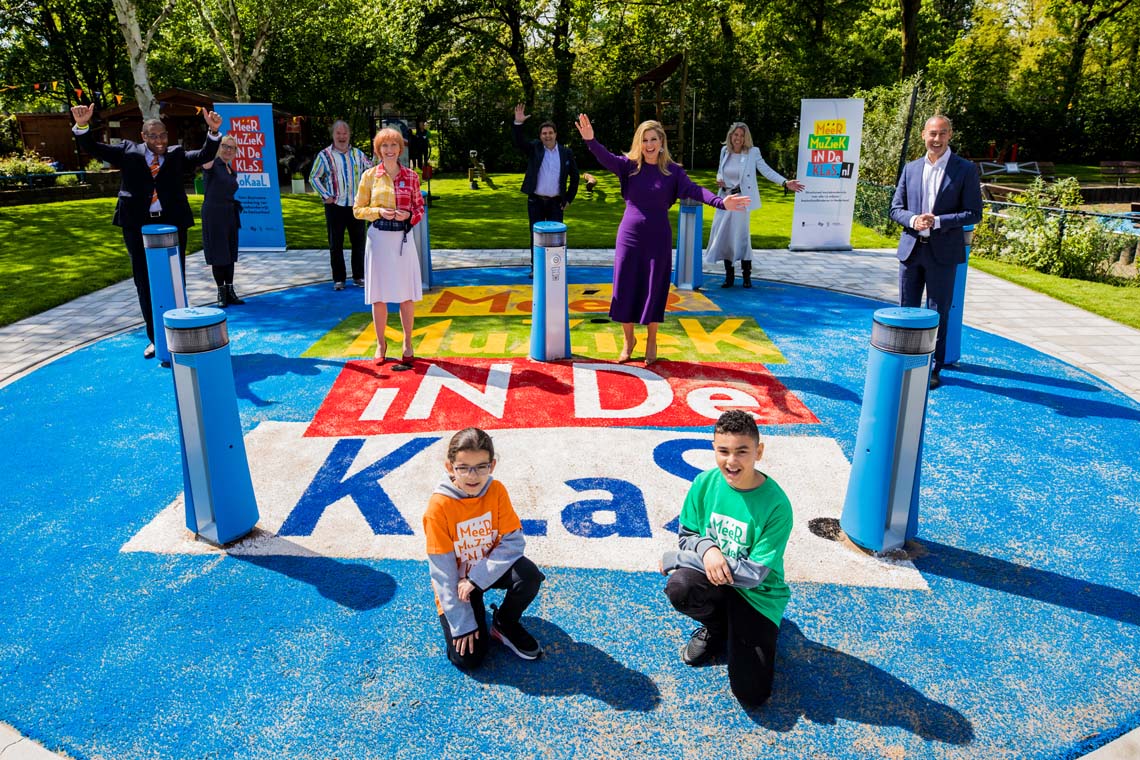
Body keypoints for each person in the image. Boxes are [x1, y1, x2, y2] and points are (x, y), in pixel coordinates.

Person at [574, 114, 750, 364]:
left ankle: (652, 340)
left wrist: (721, 202)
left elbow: (696, 190)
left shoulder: (673, 172)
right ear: (639, 142)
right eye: (644, 139)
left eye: (653, 139)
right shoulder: (629, 167)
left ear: (661, 141)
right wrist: (591, 141)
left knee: (654, 287)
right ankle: (628, 340)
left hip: (658, 238)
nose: (649, 144)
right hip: (629, 237)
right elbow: (606, 159)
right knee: (625, 287)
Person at [660, 409, 793, 707]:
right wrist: (708, 551)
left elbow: (753, 575)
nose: (731, 461)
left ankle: (751, 628)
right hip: (715, 582)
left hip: (757, 595)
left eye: (742, 452)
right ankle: (719, 629)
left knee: (752, 694)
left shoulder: (777, 505)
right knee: (680, 586)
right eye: (723, 451)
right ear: (714, 449)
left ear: (758, 451)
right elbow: (687, 535)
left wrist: (677, 557)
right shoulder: (705, 483)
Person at [70, 103, 222, 359]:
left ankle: (178, 333)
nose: (159, 140)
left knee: (175, 278)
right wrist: (83, 126)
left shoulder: (176, 154)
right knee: (143, 279)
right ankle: (155, 338)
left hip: (171, 223)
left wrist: (214, 132)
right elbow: (93, 148)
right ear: (143, 137)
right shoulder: (128, 151)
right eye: (153, 136)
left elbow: (205, 155)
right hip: (136, 224)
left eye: (162, 135)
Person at [424, 428, 546, 669]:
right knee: (468, 660)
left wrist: (477, 579)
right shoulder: (438, 507)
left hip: (482, 573)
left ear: (492, 465)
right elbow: (442, 572)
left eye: (481, 466)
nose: (473, 475)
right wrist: (462, 622)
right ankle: (473, 613)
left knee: (529, 575)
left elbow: (514, 541)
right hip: (457, 585)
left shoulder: (496, 490)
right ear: (450, 467)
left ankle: (504, 623)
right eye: (463, 467)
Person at [889, 115, 983, 389]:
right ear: (923, 135)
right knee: (906, 309)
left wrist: (938, 221)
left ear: (950, 135)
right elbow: (896, 208)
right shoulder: (911, 168)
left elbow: (974, 212)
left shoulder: (964, 169)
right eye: (932, 133)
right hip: (912, 250)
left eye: (942, 133)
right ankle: (904, 360)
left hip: (943, 253)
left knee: (936, 312)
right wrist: (913, 220)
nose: (937, 139)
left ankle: (932, 368)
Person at [352, 127, 425, 371]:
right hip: (379, 240)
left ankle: (407, 341)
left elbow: (420, 209)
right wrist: (378, 212)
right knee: (379, 295)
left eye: (394, 145)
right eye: (385, 146)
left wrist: (409, 216)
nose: (390, 150)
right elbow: (358, 209)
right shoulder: (369, 176)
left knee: (406, 295)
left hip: (402, 241)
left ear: (400, 149)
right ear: (378, 150)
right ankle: (381, 344)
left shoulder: (412, 177)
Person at [705, 122, 805, 288]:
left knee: (741, 237)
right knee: (724, 236)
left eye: (742, 135)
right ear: (731, 135)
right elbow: (721, 171)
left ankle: (746, 276)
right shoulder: (725, 151)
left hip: (742, 200)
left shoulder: (752, 152)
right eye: (736, 135)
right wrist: (719, 178)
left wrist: (785, 182)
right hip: (725, 200)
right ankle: (729, 277)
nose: (738, 138)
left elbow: (766, 170)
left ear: (746, 138)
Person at [512, 104, 580, 273]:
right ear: (540, 136)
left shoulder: (566, 153)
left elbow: (575, 177)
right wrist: (518, 124)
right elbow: (519, 142)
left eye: (550, 133)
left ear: (556, 134)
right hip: (536, 200)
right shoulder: (535, 148)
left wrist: (569, 199)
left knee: (556, 238)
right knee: (535, 235)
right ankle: (536, 268)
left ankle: (554, 268)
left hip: (556, 202)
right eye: (544, 133)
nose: (547, 136)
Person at [309, 120, 372, 291]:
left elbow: (371, 172)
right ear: (333, 135)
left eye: (345, 133)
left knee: (359, 243)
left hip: (356, 206)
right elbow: (314, 177)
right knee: (335, 244)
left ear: (349, 134)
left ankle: (359, 276)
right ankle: (339, 279)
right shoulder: (324, 155)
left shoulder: (358, 154)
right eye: (338, 133)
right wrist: (325, 195)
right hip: (335, 206)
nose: (342, 137)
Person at [199, 134, 244, 307]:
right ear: (219, 147)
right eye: (225, 146)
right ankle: (221, 292)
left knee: (230, 252)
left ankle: (230, 290)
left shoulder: (230, 169)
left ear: (235, 152)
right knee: (218, 254)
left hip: (229, 213)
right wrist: (212, 133)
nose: (227, 150)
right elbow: (206, 154)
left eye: (231, 147)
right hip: (214, 214)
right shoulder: (211, 164)